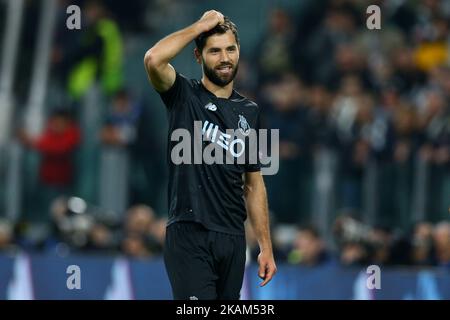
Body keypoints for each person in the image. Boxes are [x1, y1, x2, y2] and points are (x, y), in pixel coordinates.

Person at [144, 10, 277, 300]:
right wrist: (200, 26)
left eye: (230, 49)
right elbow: (153, 59)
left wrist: (265, 246)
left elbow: (254, 184)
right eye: (214, 51)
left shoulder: (252, 112)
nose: (224, 58)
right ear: (198, 56)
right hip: (189, 233)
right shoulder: (182, 95)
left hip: (232, 238)